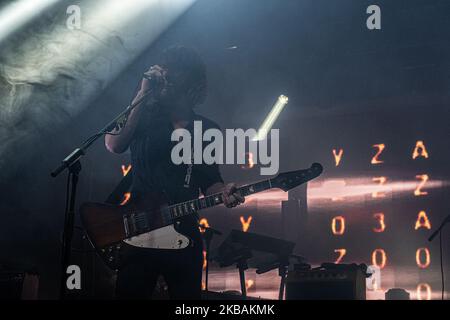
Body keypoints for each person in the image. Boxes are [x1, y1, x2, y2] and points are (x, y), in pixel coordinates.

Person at [105, 46, 244, 299]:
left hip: (184, 229)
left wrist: (224, 192)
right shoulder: (144, 117)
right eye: (163, 75)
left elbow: (210, 180)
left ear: (190, 85)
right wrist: (141, 93)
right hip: (139, 229)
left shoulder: (206, 128)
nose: (164, 82)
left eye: (171, 77)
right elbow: (114, 144)